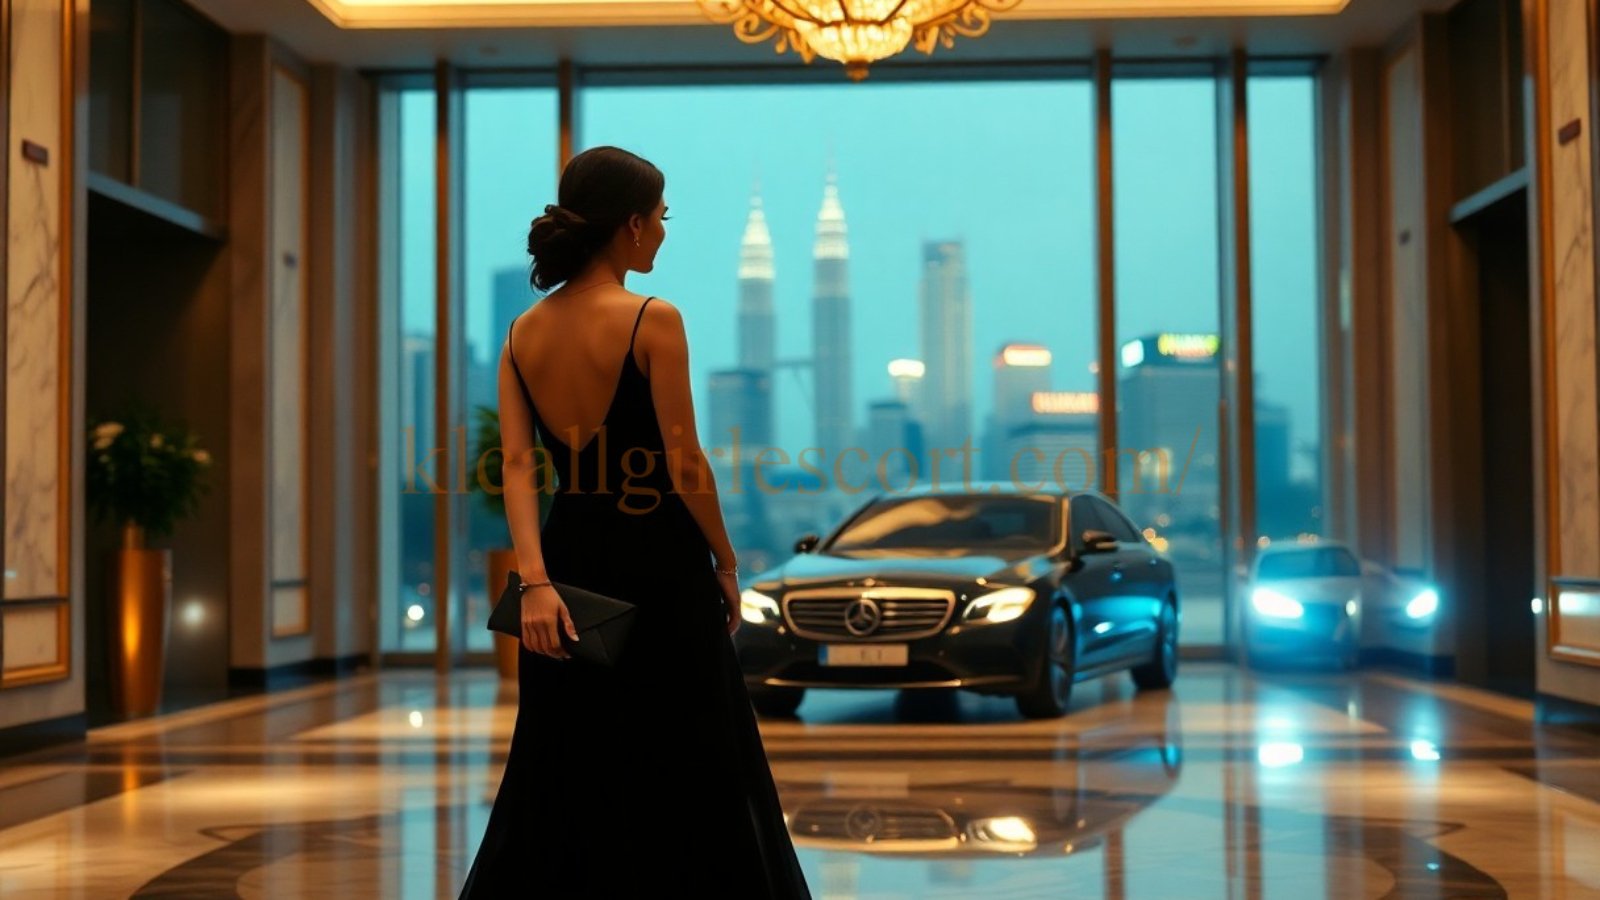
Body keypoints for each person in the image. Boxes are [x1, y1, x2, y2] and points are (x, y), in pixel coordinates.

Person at [459, 146, 813, 899]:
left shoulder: (523, 333)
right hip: (661, 565)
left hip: (570, 567)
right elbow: (685, 464)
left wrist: (535, 582)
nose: (662, 232)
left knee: (570, 761)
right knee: (691, 755)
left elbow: (519, 469)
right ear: (630, 225)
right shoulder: (653, 319)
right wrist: (725, 558)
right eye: (660, 217)